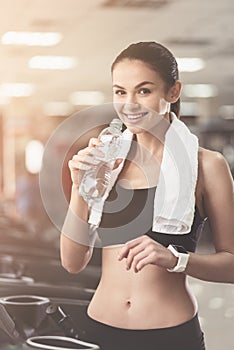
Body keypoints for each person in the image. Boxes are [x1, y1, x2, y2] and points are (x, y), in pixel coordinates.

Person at [60, 42, 234, 350]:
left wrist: (176, 259)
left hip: (170, 335)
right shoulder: (107, 162)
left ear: (173, 92)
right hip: (99, 330)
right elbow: (73, 262)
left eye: (143, 91)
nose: (130, 105)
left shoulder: (208, 166)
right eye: (120, 92)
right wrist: (79, 188)